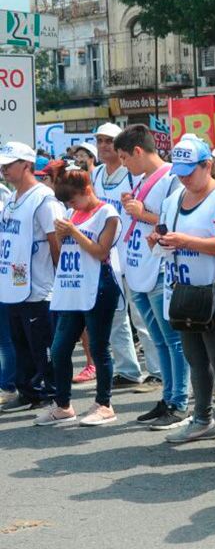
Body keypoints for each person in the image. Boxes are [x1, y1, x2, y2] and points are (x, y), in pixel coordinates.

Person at [150, 139, 215, 452]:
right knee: (195, 358)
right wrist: (159, 237)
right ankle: (202, 419)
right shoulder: (175, 196)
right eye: (179, 172)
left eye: (189, 171)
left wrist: (185, 241)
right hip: (182, 291)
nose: (183, 178)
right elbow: (162, 229)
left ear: (207, 166)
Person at [115, 125, 191, 430]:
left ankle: (180, 401)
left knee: (172, 339)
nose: (123, 164)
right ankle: (168, 396)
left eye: (124, 157)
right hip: (139, 265)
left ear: (137, 151)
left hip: (160, 267)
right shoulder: (142, 179)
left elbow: (176, 221)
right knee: (158, 339)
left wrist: (142, 213)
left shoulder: (173, 178)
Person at [40, 161, 120, 426]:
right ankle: (63, 405)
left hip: (99, 286)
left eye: (73, 200)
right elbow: (67, 252)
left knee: (99, 347)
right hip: (72, 287)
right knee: (61, 348)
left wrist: (72, 231)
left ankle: (104, 404)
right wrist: (63, 236)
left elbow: (100, 252)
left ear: (87, 189)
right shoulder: (73, 214)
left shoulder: (107, 212)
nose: (72, 206)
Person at [90, 122, 156, 389]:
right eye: (100, 140)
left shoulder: (133, 174)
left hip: (133, 251)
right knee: (116, 315)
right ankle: (128, 369)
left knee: (141, 315)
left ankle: (157, 369)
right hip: (107, 254)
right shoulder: (95, 175)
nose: (104, 145)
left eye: (109, 140)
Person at [0, 142, 61, 414]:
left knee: (42, 345)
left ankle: (52, 392)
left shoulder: (44, 198)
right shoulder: (11, 198)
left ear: (26, 165)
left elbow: (56, 240)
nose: (3, 169)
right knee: (20, 343)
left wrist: (60, 282)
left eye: (9, 164)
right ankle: (28, 392)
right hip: (14, 284)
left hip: (39, 287)